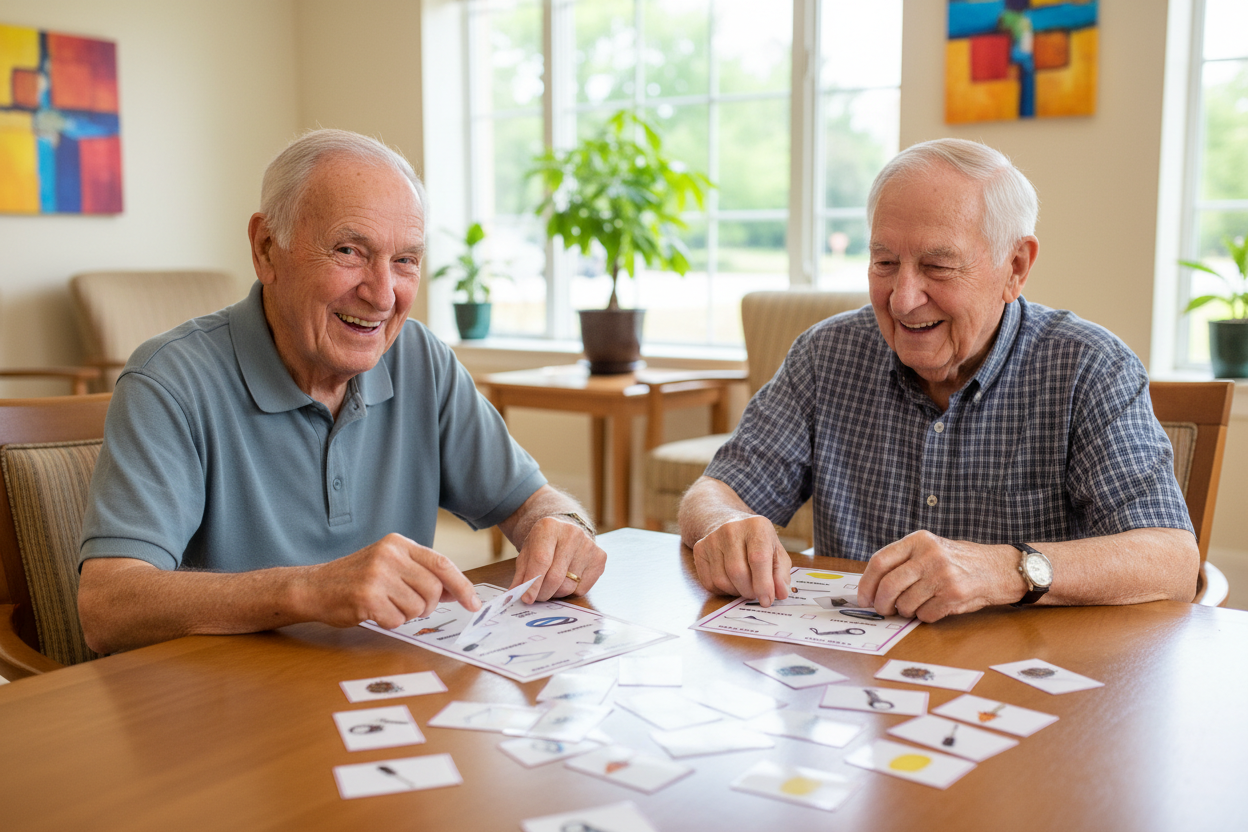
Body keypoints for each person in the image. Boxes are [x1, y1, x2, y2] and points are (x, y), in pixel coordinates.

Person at [78, 129, 605, 654]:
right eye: (349, 251)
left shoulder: (421, 358)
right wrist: (309, 588)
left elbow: (528, 501)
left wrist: (560, 525)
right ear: (267, 249)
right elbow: (107, 606)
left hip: (386, 691)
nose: (382, 295)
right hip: (226, 707)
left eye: (405, 260)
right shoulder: (169, 381)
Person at [679, 138, 1198, 623]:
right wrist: (724, 524)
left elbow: (1171, 561)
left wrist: (1004, 570)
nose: (903, 299)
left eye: (937, 266)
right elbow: (716, 490)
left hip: (1027, 683)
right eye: (884, 262)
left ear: (1015, 266)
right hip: (858, 681)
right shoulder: (827, 354)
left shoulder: (1089, 366)